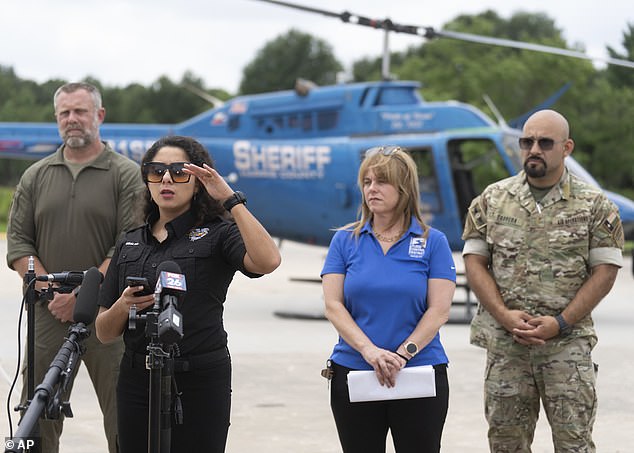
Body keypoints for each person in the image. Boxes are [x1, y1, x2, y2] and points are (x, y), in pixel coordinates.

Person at [95, 135, 281, 453]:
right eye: (157, 171)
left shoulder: (218, 233)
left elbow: (268, 261)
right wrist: (123, 305)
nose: (167, 178)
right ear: (148, 181)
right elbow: (103, 332)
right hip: (137, 377)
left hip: (199, 377)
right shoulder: (129, 242)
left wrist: (230, 201)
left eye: (180, 171)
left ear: (198, 183)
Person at [462, 109, 624, 452]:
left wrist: (561, 322)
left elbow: (605, 271)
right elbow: (474, 262)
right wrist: (503, 315)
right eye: (526, 141)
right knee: (506, 445)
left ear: (566, 147)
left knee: (573, 444)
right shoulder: (491, 200)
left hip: (566, 348)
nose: (533, 149)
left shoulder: (595, 205)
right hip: (508, 347)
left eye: (544, 142)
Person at [6, 82, 146, 452]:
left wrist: (84, 295)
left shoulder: (125, 174)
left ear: (99, 115)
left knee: (124, 414)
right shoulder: (36, 175)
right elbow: (20, 243)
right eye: (64, 113)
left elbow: (128, 243)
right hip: (48, 315)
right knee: (37, 416)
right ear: (57, 119)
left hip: (107, 316)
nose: (72, 120)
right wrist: (48, 288)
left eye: (80, 111)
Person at [321, 145, 457, 453]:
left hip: (419, 370)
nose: (372, 189)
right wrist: (370, 352)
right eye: (367, 182)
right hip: (355, 370)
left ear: (404, 188)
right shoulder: (345, 240)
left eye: (381, 181)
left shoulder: (432, 241)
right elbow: (333, 305)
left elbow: (438, 311)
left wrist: (402, 355)